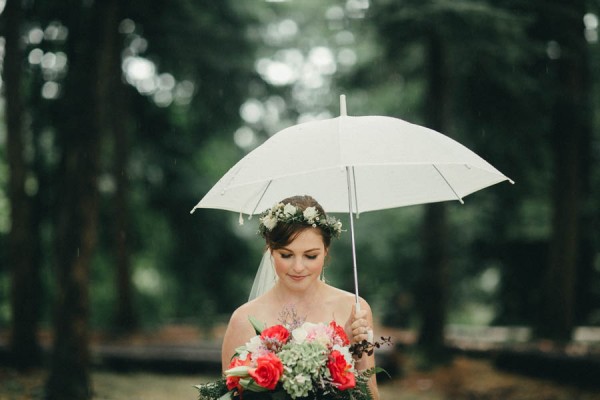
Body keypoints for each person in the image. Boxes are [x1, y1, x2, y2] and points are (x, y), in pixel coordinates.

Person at [221, 195, 379, 399]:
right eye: (286, 255)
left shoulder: (354, 308)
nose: (298, 267)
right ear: (270, 251)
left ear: (326, 251)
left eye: (310, 256)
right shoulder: (243, 319)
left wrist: (356, 351)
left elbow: (371, 394)